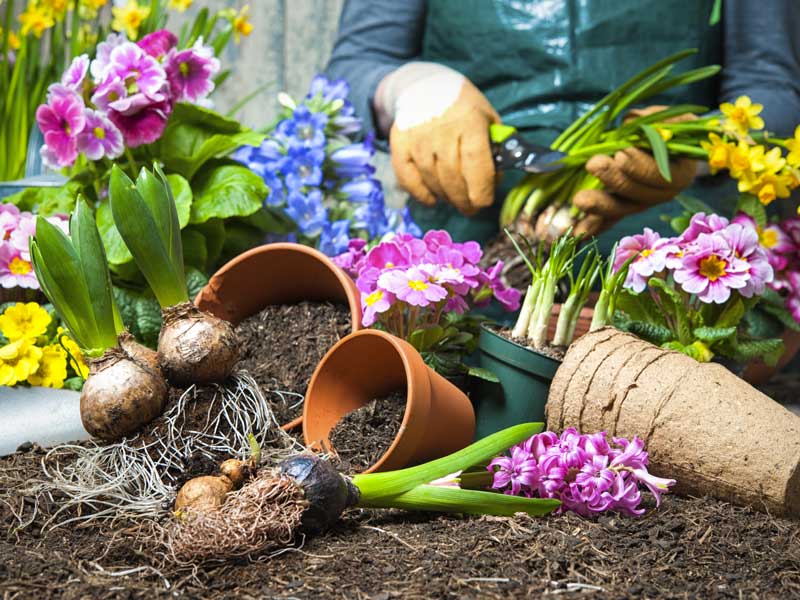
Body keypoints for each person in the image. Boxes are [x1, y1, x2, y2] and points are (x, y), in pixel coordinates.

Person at [325, 0, 800, 247]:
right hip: (463, 255)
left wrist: (691, 150)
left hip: (664, 255)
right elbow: (355, 68)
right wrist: (417, 91)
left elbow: (770, 88)